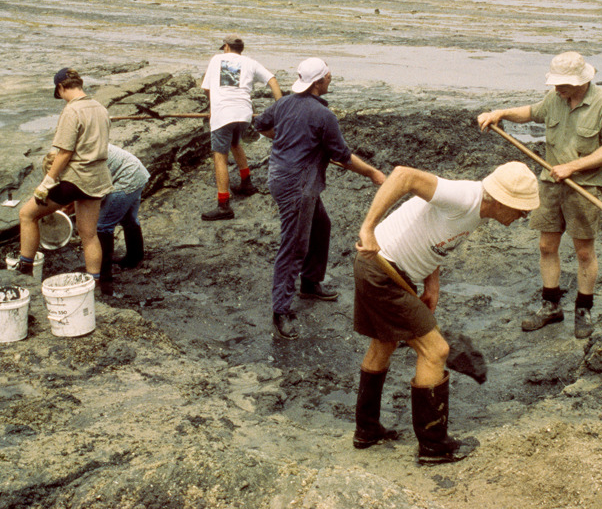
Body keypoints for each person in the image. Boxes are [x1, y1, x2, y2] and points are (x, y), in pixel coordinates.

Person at [353, 162, 540, 464]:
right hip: (381, 268)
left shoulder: (478, 212)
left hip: (389, 271)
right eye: (521, 210)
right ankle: (433, 446)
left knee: (383, 343)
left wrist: (432, 284)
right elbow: (403, 175)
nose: (522, 216)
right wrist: (368, 228)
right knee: (436, 351)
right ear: (501, 200)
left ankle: (367, 430)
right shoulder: (463, 196)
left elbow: (435, 239)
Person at [477, 51, 602, 339]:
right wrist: (501, 113)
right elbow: (532, 112)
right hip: (550, 183)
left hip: (586, 187)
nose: (556, 88)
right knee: (546, 246)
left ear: (581, 81)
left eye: (563, 84)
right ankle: (551, 306)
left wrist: (572, 166)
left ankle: (583, 308)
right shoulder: (555, 99)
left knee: (583, 251)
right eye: (555, 83)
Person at [255, 58, 386, 340]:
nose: (330, 81)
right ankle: (280, 311)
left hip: (282, 177)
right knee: (293, 246)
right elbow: (342, 155)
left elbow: (262, 125)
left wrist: (285, 139)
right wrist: (373, 173)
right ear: (317, 83)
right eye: (328, 78)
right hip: (298, 184)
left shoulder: (284, 103)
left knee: (321, 225)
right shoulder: (324, 116)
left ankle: (311, 282)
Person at [14, 68, 112, 281]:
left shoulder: (71, 110)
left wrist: (46, 182)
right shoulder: (100, 108)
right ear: (80, 83)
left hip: (76, 179)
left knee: (27, 215)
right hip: (98, 178)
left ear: (60, 87)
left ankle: (25, 270)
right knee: (89, 235)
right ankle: (93, 281)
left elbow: (64, 152)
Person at [45, 143, 149, 294]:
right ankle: (135, 257)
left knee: (102, 226)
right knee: (129, 219)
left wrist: (74, 205)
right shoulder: (74, 151)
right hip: (137, 171)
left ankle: (103, 278)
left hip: (126, 177)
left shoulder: (83, 164)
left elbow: (94, 192)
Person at [200, 35, 282, 221]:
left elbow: (206, 89)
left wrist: (214, 105)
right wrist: (281, 108)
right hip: (244, 114)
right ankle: (246, 183)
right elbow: (272, 80)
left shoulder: (216, 59)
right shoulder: (250, 62)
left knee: (220, 156)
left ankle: (223, 206)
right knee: (235, 143)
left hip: (223, 114)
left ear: (227, 47)